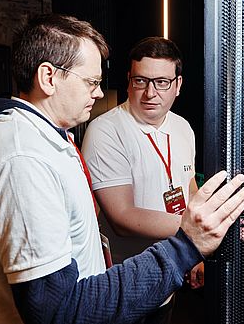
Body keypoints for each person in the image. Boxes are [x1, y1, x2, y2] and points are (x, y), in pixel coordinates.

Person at [0, 13, 244, 324]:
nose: (99, 92)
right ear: (48, 77)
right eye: (91, 82)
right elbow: (57, 311)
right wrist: (187, 245)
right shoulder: (22, 159)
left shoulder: (43, 140)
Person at [81, 37, 200, 323]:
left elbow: (188, 186)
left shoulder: (183, 127)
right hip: (124, 284)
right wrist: (197, 233)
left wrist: (194, 252)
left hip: (169, 273)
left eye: (162, 82)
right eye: (141, 81)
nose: (150, 93)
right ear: (129, 81)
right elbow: (122, 218)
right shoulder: (106, 130)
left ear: (178, 85)